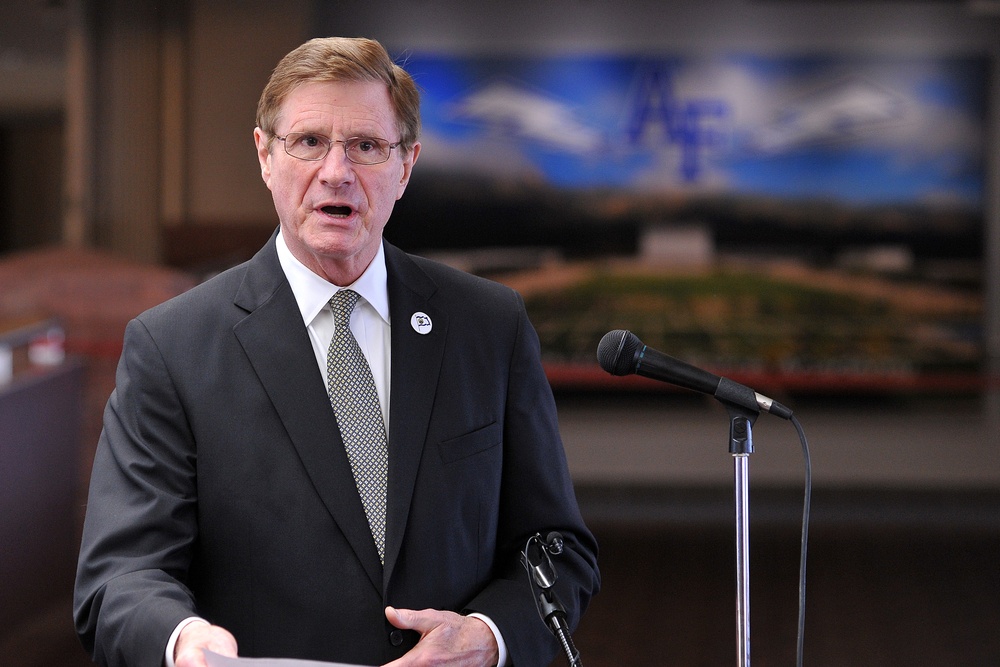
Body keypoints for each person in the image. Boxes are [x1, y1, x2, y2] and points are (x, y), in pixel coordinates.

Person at [74, 36, 599, 667]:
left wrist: (490, 636)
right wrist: (183, 642)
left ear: (406, 166)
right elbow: (120, 577)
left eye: (367, 146)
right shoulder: (172, 347)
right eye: (309, 141)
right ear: (265, 156)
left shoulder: (489, 326)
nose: (336, 171)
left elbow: (557, 548)